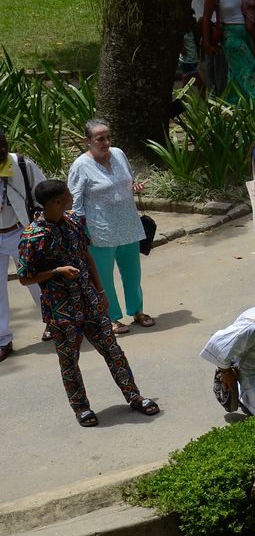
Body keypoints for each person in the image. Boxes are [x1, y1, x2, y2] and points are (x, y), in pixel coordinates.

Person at [18, 179, 159, 427]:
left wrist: (101, 291)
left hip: (90, 300)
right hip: (61, 310)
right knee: (69, 362)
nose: (72, 197)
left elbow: (86, 255)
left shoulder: (74, 221)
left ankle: (134, 396)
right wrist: (56, 271)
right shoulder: (33, 236)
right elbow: (24, 277)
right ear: (57, 202)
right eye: (68, 194)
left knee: (112, 350)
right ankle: (81, 408)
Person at [67, 121, 150, 335]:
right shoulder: (80, 165)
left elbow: (127, 182)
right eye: (100, 139)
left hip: (128, 225)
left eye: (108, 137)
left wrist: (135, 188)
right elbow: (75, 201)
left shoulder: (119, 154)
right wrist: (80, 231)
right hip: (99, 230)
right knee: (104, 278)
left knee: (133, 274)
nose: (106, 142)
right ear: (87, 141)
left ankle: (138, 311)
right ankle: (111, 317)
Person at [0, 129, 45, 362]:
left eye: (3, 144)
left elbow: (43, 191)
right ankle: (3, 340)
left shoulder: (20, 163)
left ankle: (52, 322)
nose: (1, 149)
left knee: (35, 280)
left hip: (20, 231)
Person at [200, 0, 255, 104]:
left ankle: (236, 106)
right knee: (249, 70)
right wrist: (207, 44)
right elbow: (206, 19)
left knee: (237, 73)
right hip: (231, 37)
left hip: (244, 34)